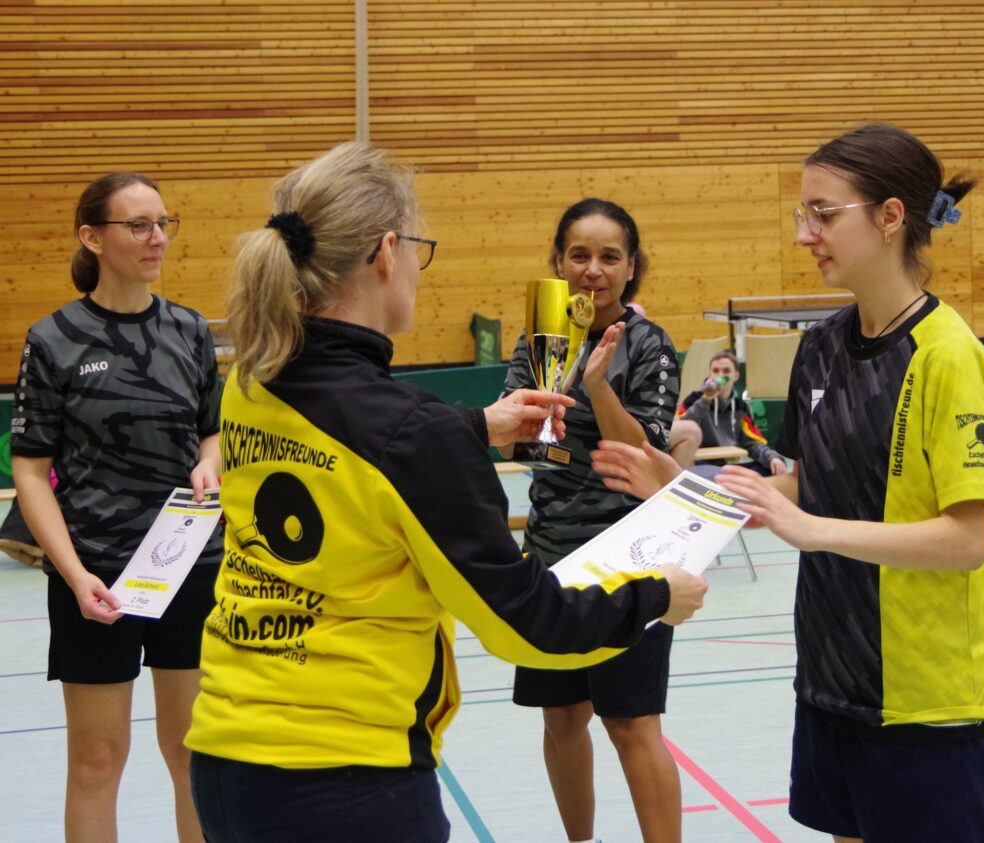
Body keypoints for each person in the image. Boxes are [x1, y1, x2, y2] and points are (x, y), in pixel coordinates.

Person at [183, 143, 708, 843]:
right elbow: (524, 625)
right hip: (347, 776)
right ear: (385, 252)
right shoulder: (412, 432)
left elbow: (350, 446)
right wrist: (655, 596)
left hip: (226, 752)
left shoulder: (251, 383)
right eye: (418, 251)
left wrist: (473, 427)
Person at [592, 123, 984, 843]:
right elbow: (802, 491)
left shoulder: (948, 356)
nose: (804, 234)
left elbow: (966, 540)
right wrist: (680, 484)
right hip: (828, 681)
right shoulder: (819, 347)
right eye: (802, 213)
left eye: (823, 214)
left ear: (889, 216)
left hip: (924, 704)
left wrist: (811, 530)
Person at [10, 172, 223, 842]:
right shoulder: (54, 339)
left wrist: (210, 460)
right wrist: (75, 575)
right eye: (138, 225)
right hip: (96, 575)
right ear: (92, 237)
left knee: (193, 752)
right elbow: (29, 468)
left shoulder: (190, 330)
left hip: (188, 566)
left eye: (163, 223)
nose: (156, 238)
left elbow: (213, 429)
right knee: (97, 761)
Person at [501, 198, 684, 843]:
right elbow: (519, 441)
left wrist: (599, 385)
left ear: (631, 267)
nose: (593, 270)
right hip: (551, 561)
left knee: (632, 724)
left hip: (630, 560)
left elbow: (645, 457)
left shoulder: (650, 345)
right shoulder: (538, 340)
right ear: (558, 262)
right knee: (561, 718)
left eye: (610, 256)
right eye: (579, 255)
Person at [668, 350, 786, 476]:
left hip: (726, 465)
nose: (720, 375)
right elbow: (683, 428)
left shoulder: (740, 407)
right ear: (710, 375)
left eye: (726, 371)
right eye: (716, 371)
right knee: (705, 472)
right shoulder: (695, 398)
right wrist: (705, 399)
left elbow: (753, 442)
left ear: (736, 376)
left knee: (775, 463)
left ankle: (725, 479)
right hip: (700, 464)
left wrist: (771, 458)